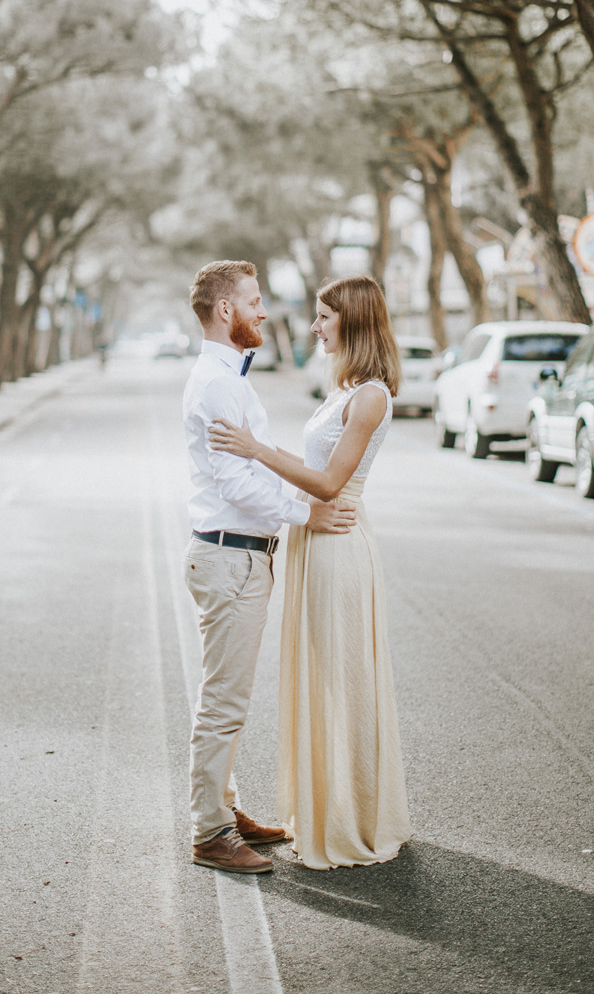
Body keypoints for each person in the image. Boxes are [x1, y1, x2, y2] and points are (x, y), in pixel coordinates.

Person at [209, 274, 411, 870]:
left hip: (338, 545)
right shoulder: (343, 391)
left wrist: (256, 450)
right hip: (315, 537)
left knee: (341, 679)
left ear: (352, 321)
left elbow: (328, 484)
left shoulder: (370, 395)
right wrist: (265, 465)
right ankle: (329, 807)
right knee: (322, 674)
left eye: (325, 317)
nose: (316, 326)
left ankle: (353, 817)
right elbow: (313, 470)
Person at [183, 260, 356, 875]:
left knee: (229, 696)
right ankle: (209, 832)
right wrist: (307, 512)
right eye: (254, 301)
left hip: (238, 557)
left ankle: (225, 810)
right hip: (230, 556)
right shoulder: (219, 384)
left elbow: (250, 467)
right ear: (225, 310)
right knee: (223, 703)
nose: (263, 311)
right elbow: (237, 480)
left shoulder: (226, 377)